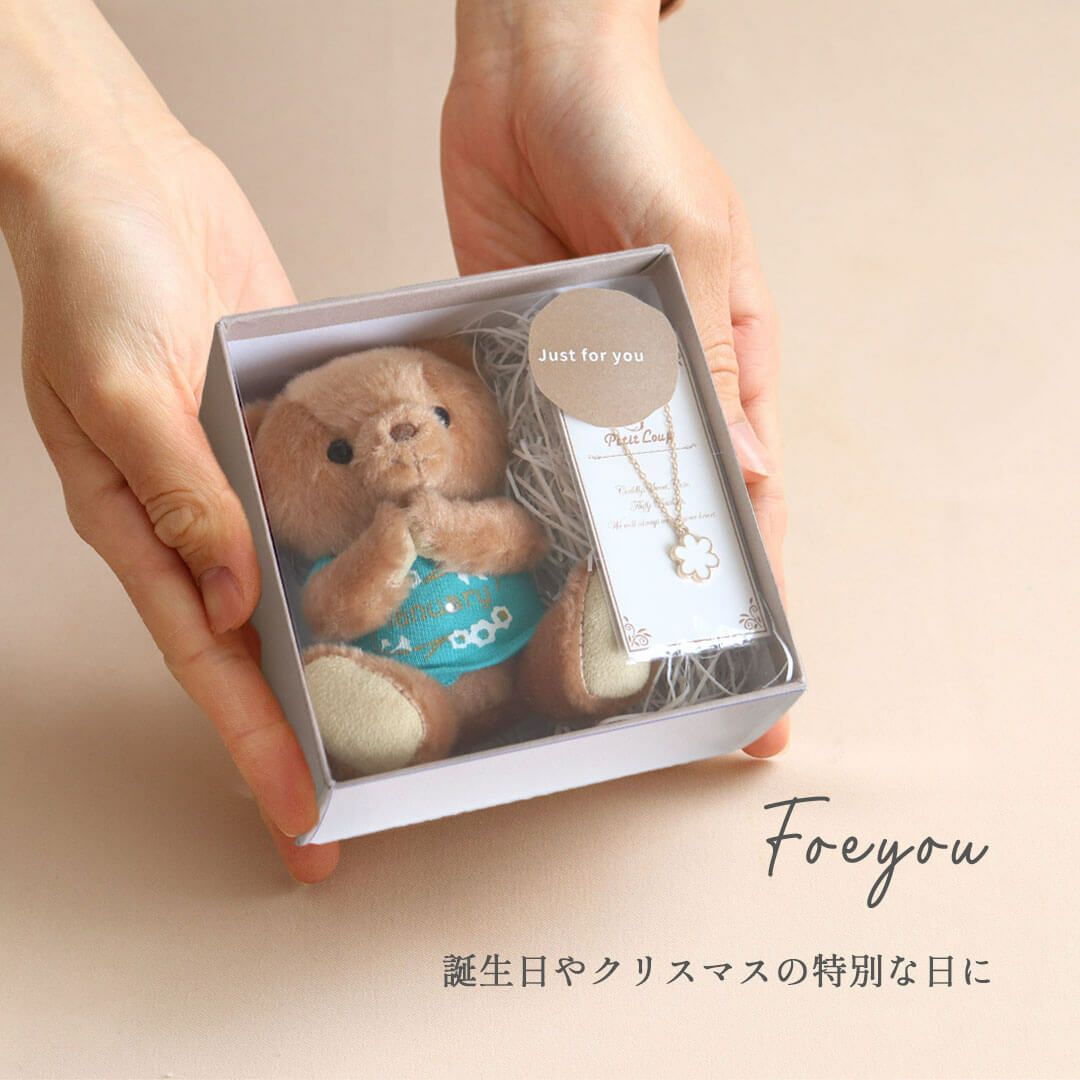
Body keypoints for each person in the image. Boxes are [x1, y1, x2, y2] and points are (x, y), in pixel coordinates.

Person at [0, 0, 789, 884]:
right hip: (421, 680)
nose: (406, 436)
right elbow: (334, 609)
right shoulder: (325, 544)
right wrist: (79, 155)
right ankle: (388, 720)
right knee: (390, 707)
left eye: (438, 415)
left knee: (568, 645)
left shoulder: (480, 493)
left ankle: (595, 654)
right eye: (340, 451)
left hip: (521, 649)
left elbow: (522, 538)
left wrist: (557, 34)